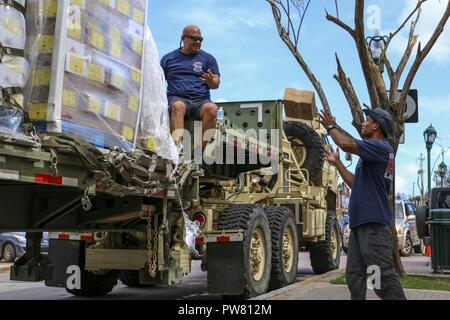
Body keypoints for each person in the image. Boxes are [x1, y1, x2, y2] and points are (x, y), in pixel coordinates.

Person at [321, 106, 406, 300]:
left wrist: (331, 126)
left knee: (381, 279)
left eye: (367, 120)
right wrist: (338, 163)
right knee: (354, 277)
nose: (363, 123)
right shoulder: (370, 155)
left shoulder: (380, 148)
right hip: (361, 225)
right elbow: (354, 183)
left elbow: (347, 144)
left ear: (376, 125)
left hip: (373, 225)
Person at [160, 25, 220, 154]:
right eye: (194, 38)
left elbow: (216, 83)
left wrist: (210, 81)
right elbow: (158, 81)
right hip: (177, 97)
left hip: (200, 100)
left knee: (212, 109)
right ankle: (176, 150)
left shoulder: (208, 58)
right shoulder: (168, 59)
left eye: (200, 39)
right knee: (178, 106)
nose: (197, 42)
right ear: (183, 39)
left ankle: (200, 152)